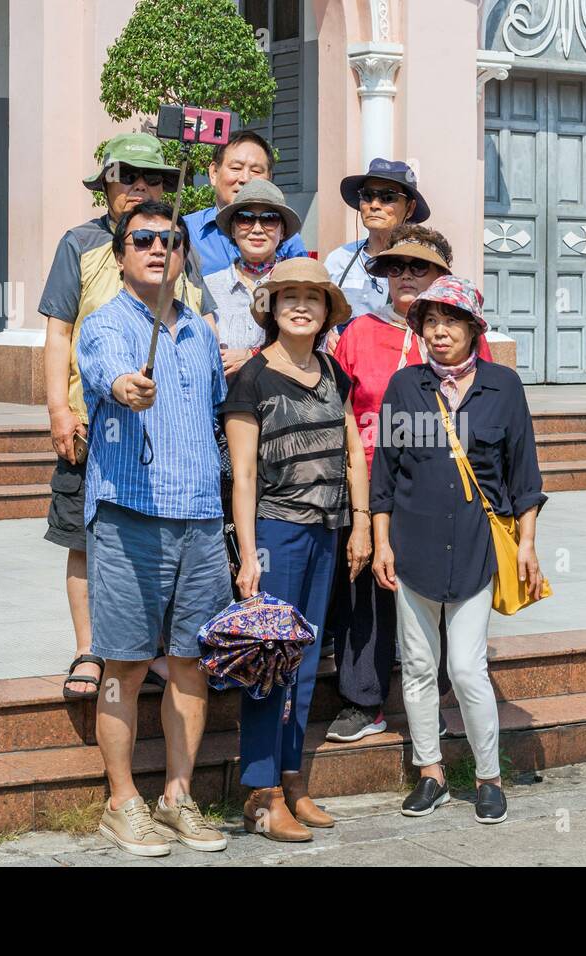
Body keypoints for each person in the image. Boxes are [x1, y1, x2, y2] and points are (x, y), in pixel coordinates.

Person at [77, 200, 231, 857]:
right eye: (142, 239)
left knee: (192, 664)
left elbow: (223, 411)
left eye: (170, 240)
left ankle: (177, 797)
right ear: (120, 255)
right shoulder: (106, 324)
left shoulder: (198, 330)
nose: (157, 248)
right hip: (130, 515)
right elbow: (108, 371)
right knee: (128, 664)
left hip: (199, 516)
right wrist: (125, 387)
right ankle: (121, 803)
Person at [370, 275, 546, 827]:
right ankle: (431, 774)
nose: (439, 332)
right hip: (412, 546)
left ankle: (489, 778)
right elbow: (385, 472)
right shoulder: (405, 387)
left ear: (473, 329)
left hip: (476, 549)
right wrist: (380, 542)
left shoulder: (503, 386)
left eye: (451, 322)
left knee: (467, 669)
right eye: (429, 322)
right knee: (419, 666)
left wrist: (527, 546)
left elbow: (525, 474)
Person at [40, 133, 208, 700]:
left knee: (160, 543)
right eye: (128, 175)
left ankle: (152, 649)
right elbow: (59, 330)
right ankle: (90, 648)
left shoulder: (175, 241)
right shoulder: (82, 244)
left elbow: (201, 318)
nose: (142, 186)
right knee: (84, 538)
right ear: (106, 184)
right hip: (94, 420)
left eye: (155, 177)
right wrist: (60, 408)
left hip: (168, 436)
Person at [223, 257, 372, 842]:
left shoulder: (334, 372)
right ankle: (259, 794)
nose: (301, 306)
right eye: (290, 298)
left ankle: (291, 779)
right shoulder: (253, 379)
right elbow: (242, 478)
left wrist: (359, 523)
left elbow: (353, 452)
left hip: (327, 532)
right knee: (271, 661)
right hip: (277, 533)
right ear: (272, 309)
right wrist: (249, 555)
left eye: (313, 298)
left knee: (307, 662)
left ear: (327, 310)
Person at [323, 225, 491, 743]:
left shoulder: (460, 334)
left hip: (438, 485)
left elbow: (484, 409)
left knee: (439, 589)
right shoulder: (359, 332)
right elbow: (342, 410)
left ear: (443, 275)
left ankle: (435, 702)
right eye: (396, 268)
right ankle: (363, 699)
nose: (406, 277)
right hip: (367, 475)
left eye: (419, 268)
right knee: (366, 590)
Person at [201, 178, 302, 381]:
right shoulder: (207, 287)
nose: (257, 229)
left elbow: (316, 348)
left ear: (282, 231)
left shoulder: (300, 285)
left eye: (269, 219)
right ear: (232, 229)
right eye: (246, 218)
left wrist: (252, 356)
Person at [323, 158, 431, 326]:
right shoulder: (338, 260)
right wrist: (327, 333)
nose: (374, 205)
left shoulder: (424, 265)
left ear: (409, 208)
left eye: (388, 197)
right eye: (367, 196)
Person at [183, 130, 308, 274]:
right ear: (214, 173)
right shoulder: (186, 232)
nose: (245, 179)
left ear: (269, 178)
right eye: (236, 168)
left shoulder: (289, 240)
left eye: (256, 171)